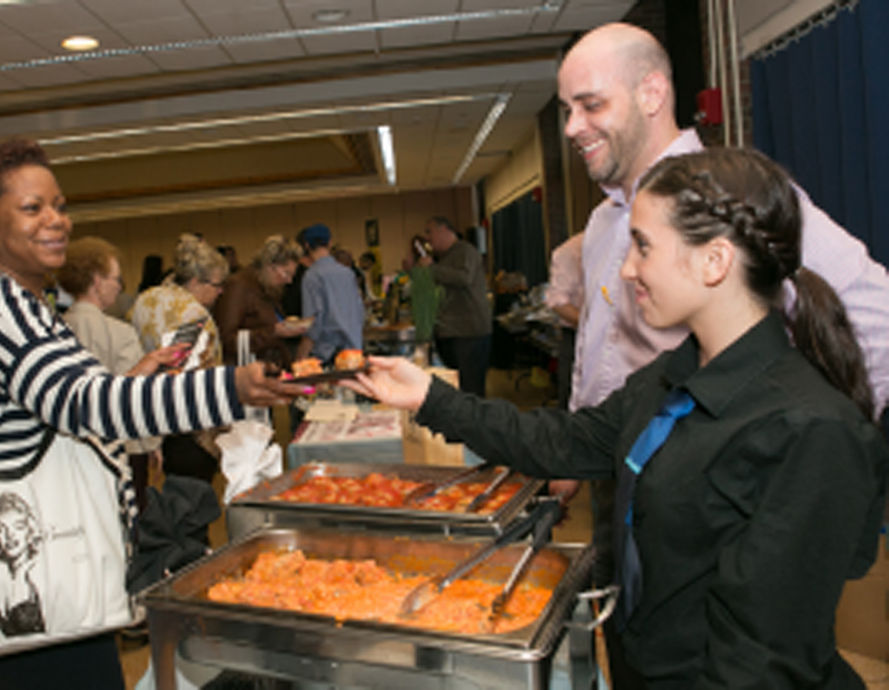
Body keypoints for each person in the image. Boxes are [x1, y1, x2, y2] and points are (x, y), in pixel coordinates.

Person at [348, 147, 888, 689]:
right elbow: (562, 441)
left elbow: (763, 661)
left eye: (644, 247)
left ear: (714, 260)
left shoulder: (810, 430)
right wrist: (428, 398)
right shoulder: (668, 380)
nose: (627, 268)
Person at [558, 23, 889, 685]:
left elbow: (875, 326)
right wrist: (572, 449)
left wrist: (797, 460)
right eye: (567, 109)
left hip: (708, 499)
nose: (571, 127)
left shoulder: (729, 198)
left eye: (590, 105)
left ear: (651, 93)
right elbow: (597, 354)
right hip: (625, 470)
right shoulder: (602, 223)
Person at [0, 138, 302, 690]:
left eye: (60, 206)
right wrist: (232, 387)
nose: (56, 221)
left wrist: (134, 381)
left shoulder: (28, 303)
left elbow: (73, 397)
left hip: (59, 562)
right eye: (32, 208)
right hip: (38, 567)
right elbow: (85, 405)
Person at [58, 236, 173, 511]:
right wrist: (153, 444)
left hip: (68, 453)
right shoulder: (119, 333)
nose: (119, 287)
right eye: (116, 279)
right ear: (97, 282)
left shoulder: (53, 329)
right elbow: (133, 398)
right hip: (122, 450)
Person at [129, 234, 230, 485]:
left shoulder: (146, 299)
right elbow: (200, 380)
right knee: (192, 502)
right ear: (195, 282)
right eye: (216, 285)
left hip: (152, 414)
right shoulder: (195, 314)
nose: (220, 291)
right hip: (190, 426)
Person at [418, 216, 492, 396]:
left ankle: (475, 423)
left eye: (430, 232)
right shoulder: (444, 257)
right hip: (452, 331)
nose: (427, 238)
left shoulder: (465, 251)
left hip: (469, 332)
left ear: (444, 230)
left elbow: (463, 278)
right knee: (458, 387)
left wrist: (432, 269)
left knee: (471, 389)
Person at [213, 235, 305, 369]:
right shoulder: (238, 286)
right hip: (248, 373)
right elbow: (225, 340)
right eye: (286, 274)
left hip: (269, 369)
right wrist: (274, 332)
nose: (289, 281)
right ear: (270, 266)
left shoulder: (268, 287)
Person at [295, 224, 365, 364]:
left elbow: (313, 323)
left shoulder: (312, 276)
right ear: (330, 243)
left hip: (328, 356)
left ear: (307, 246)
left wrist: (300, 359)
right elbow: (361, 312)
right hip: (354, 353)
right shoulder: (348, 273)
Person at [0, 492, 45, 638]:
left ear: (30, 530)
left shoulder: (39, 573)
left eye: (18, 526)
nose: (10, 535)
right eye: (2, 529)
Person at [544, 233, 584, 411]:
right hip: (578, 335)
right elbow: (557, 302)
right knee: (574, 399)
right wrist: (595, 326)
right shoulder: (570, 250)